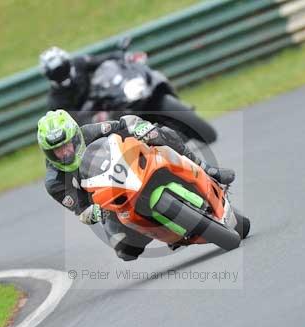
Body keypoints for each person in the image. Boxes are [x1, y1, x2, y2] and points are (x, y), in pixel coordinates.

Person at [36, 109, 235, 261]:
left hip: (132, 169)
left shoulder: (91, 132)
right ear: (47, 152)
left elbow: (124, 123)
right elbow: (81, 210)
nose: (64, 153)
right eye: (57, 151)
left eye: (66, 145)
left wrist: (140, 127)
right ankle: (164, 230)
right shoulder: (55, 182)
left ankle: (205, 168)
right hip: (111, 201)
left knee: (160, 133)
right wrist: (94, 213)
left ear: (75, 136)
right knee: (125, 251)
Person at [39, 46, 123, 124]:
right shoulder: (55, 101)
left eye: (62, 68)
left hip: (105, 98)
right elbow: (74, 122)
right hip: (95, 122)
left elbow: (102, 59)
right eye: (56, 72)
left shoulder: (78, 63)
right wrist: (95, 119)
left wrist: (124, 57)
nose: (60, 72)